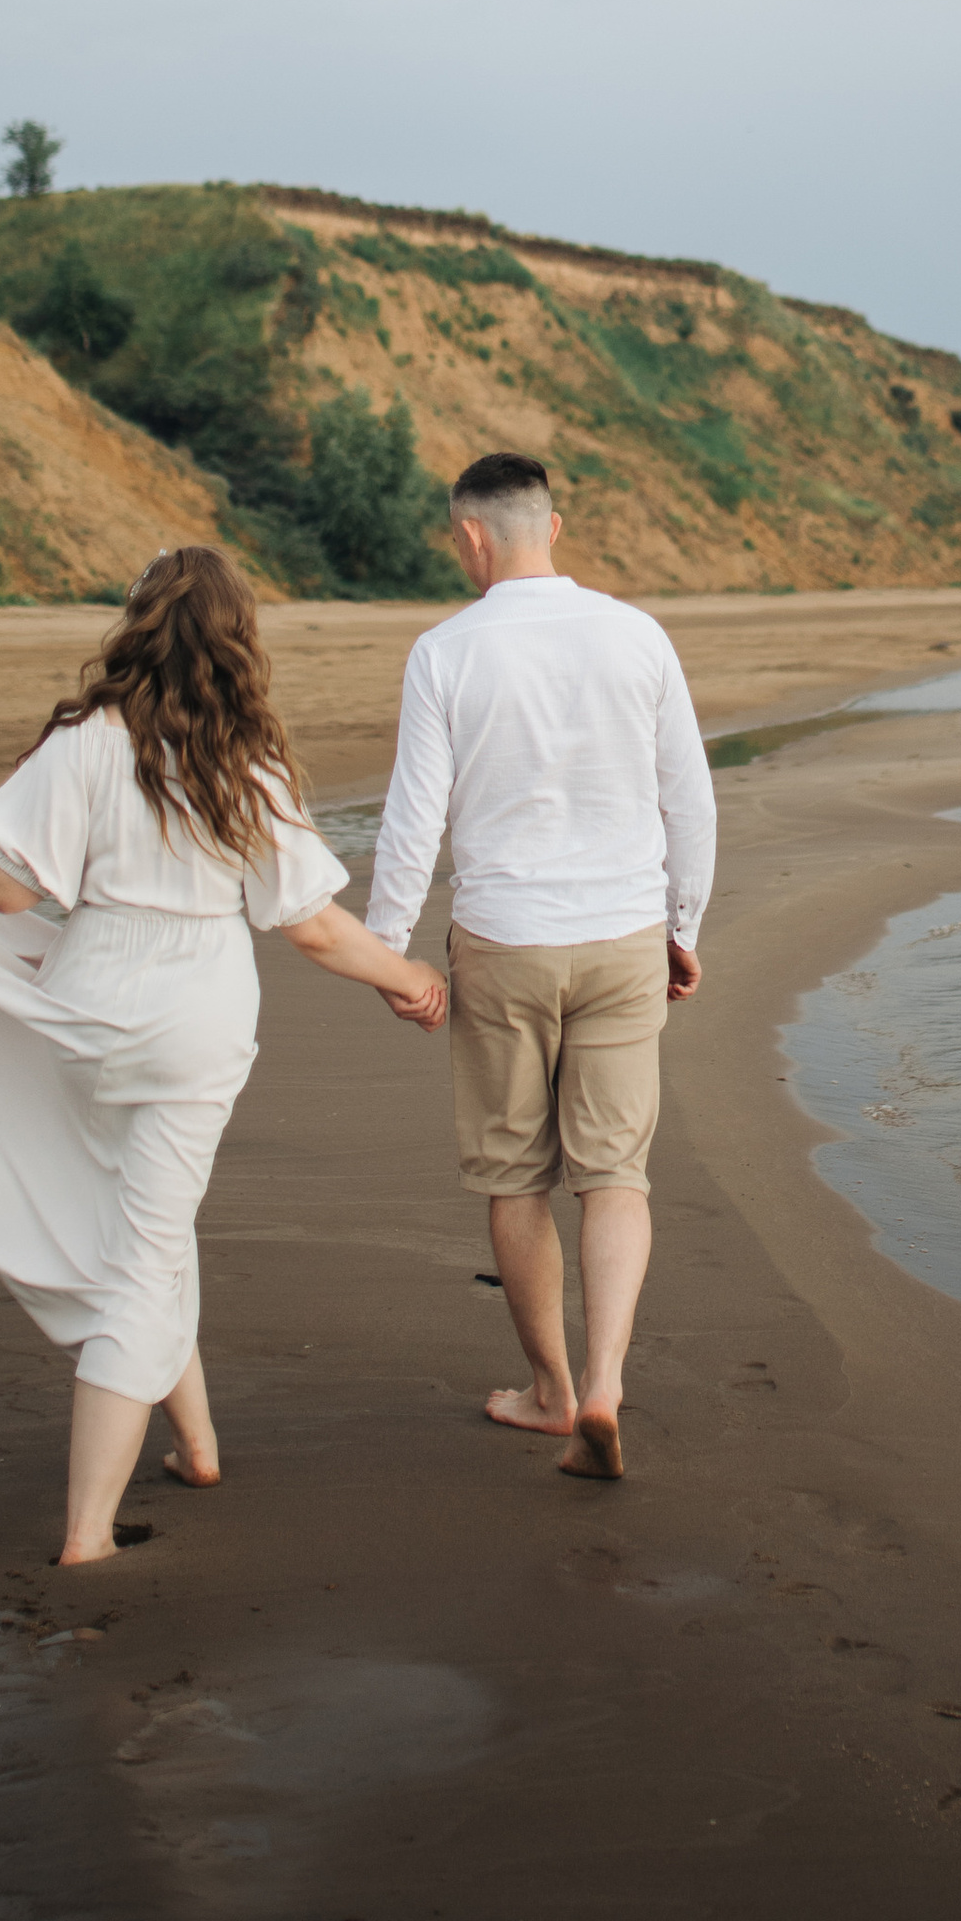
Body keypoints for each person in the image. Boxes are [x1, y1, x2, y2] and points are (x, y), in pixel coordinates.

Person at [0, 545, 446, 1565]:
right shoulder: (244, 762)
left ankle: (197, 1445)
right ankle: (85, 1538)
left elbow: (5, 888)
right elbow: (312, 927)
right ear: (237, 639)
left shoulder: (85, 742)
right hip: (195, 1019)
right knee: (144, 1252)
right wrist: (405, 978)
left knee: (146, 1230)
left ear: (138, 623)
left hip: (86, 1008)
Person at [364, 453, 715, 1480]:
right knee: (615, 1175)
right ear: (551, 529)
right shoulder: (636, 634)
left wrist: (391, 953)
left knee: (514, 1173)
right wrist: (680, 925)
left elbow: (412, 819)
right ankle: (606, 1380)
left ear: (472, 538)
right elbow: (687, 798)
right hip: (620, 939)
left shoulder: (444, 653)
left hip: (506, 942)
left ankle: (552, 1393)